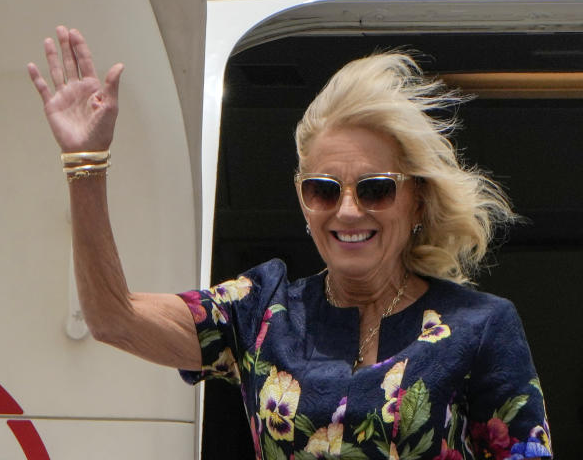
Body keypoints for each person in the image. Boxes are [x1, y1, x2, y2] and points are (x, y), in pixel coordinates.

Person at [28, 26, 553, 460]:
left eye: (375, 189)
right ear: (304, 205)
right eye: (324, 191)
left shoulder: (480, 327)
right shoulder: (262, 311)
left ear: (416, 201)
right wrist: (85, 166)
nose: (348, 211)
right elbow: (111, 316)